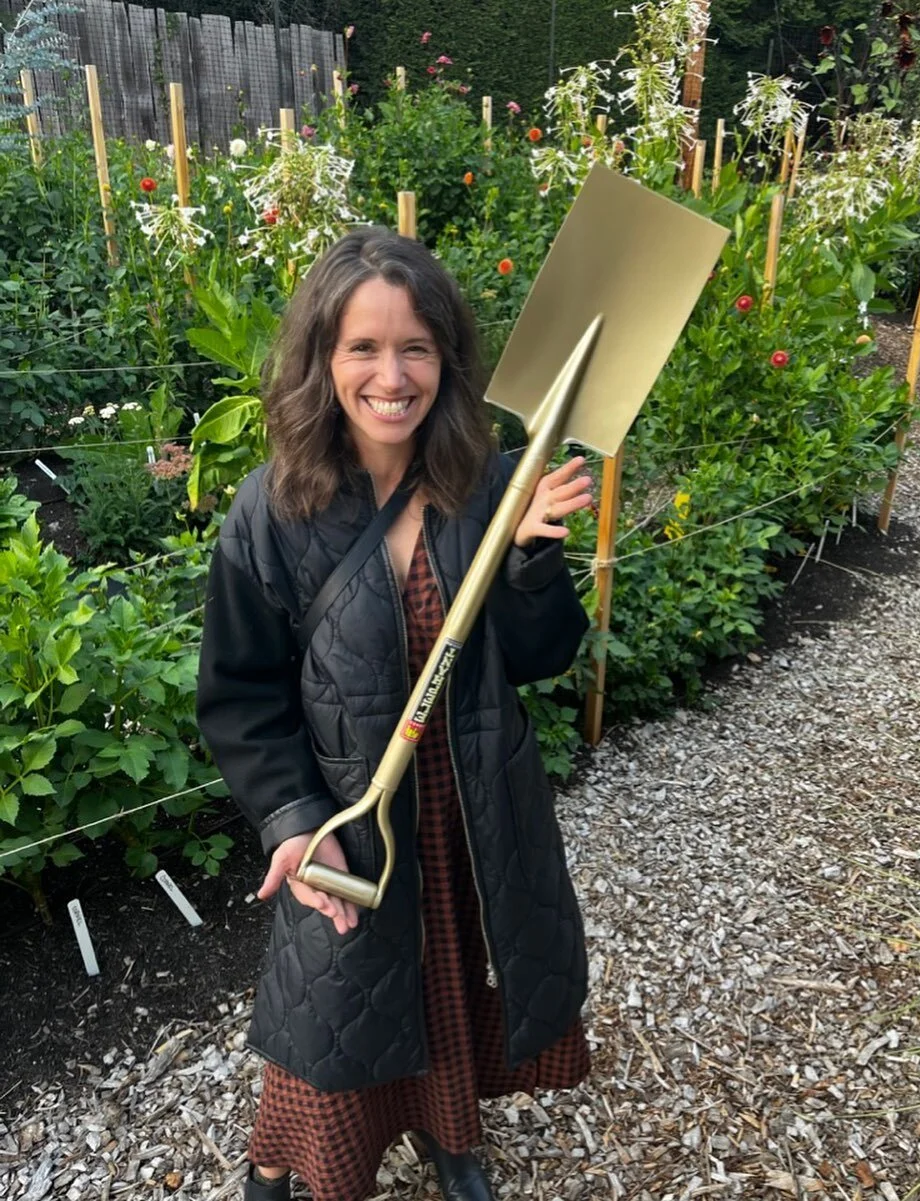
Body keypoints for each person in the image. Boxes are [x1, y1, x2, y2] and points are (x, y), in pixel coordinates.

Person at [196, 226, 593, 1201]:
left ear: (447, 360)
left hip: (467, 819)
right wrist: (294, 823)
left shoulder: (488, 488)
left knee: (447, 990)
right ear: (321, 361)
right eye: (362, 348)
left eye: (414, 346)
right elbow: (241, 694)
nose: (390, 374)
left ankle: (449, 1134)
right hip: (348, 825)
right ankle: (283, 1164)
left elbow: (541, 657)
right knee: (333, 1012)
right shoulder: (270, 512)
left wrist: (534, 558)